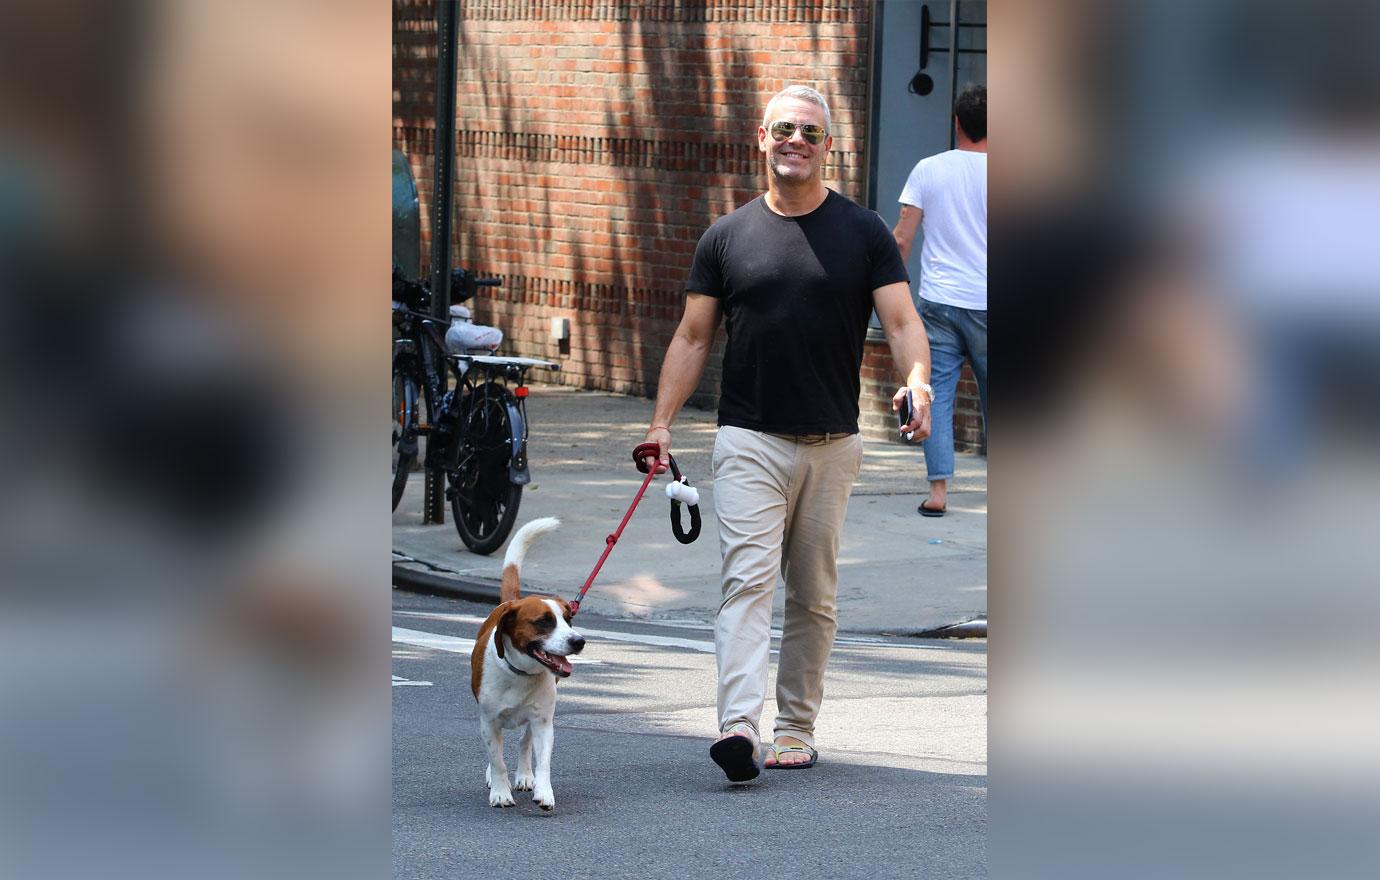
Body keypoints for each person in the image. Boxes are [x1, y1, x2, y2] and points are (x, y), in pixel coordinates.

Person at [643, 85, 933, 780]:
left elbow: (900, 322)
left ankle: (796, 726)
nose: (795, 139)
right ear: (761, 139)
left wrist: (917, 379)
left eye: (809, 130)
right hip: (749, 437)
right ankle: (739, 728)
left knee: (812, 592)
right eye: (783, 128)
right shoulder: (727, 236)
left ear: (828, 147)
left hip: (833, 441)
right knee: (746, 581)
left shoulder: (863, 233)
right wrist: (659, 424)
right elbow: (691, 335)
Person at [892, 84, 988, 517]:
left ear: (956, 123)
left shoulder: (928, 169)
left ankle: (938, 493)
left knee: (937, 396)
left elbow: (902, 238)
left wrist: (892, 294)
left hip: (939, 302)